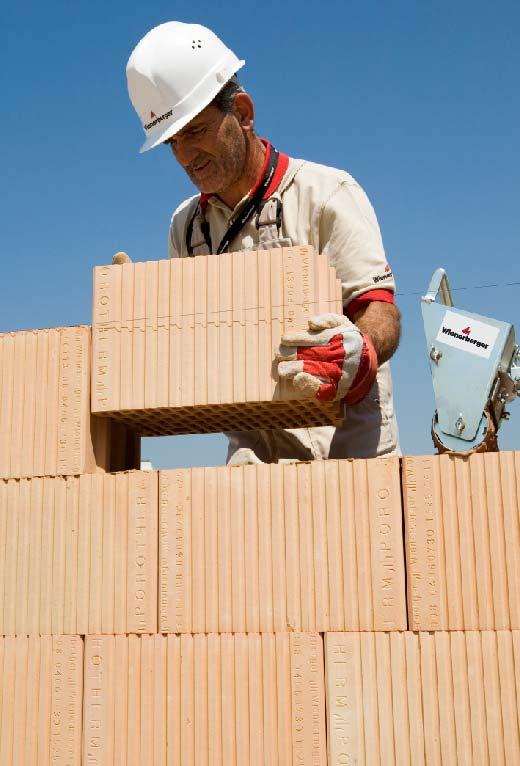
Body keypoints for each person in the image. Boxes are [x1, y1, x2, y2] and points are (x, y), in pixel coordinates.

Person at [126, 21, 401, 463]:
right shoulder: (187, 228)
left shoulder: (326, 194)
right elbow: (190, 345)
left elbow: (380, 310)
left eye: (195, 132)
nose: (184, 156)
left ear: (243, 112)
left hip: (350, 451)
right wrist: (136, 312)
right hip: (255, 462)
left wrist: (361, 351)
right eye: (172, 142)